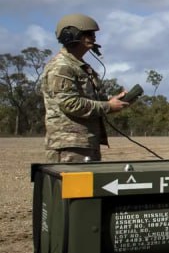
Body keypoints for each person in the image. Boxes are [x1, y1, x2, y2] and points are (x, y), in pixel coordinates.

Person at [39, 14, 130, 162]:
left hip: (85, 143)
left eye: (93, 34)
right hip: (70, 145)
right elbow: (70, 103)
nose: (93, 38)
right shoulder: (62, 67)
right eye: (88, 34)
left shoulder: (79, 65)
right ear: (70, 35)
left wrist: (111, 100)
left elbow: (88, 97)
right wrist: (108, 106)